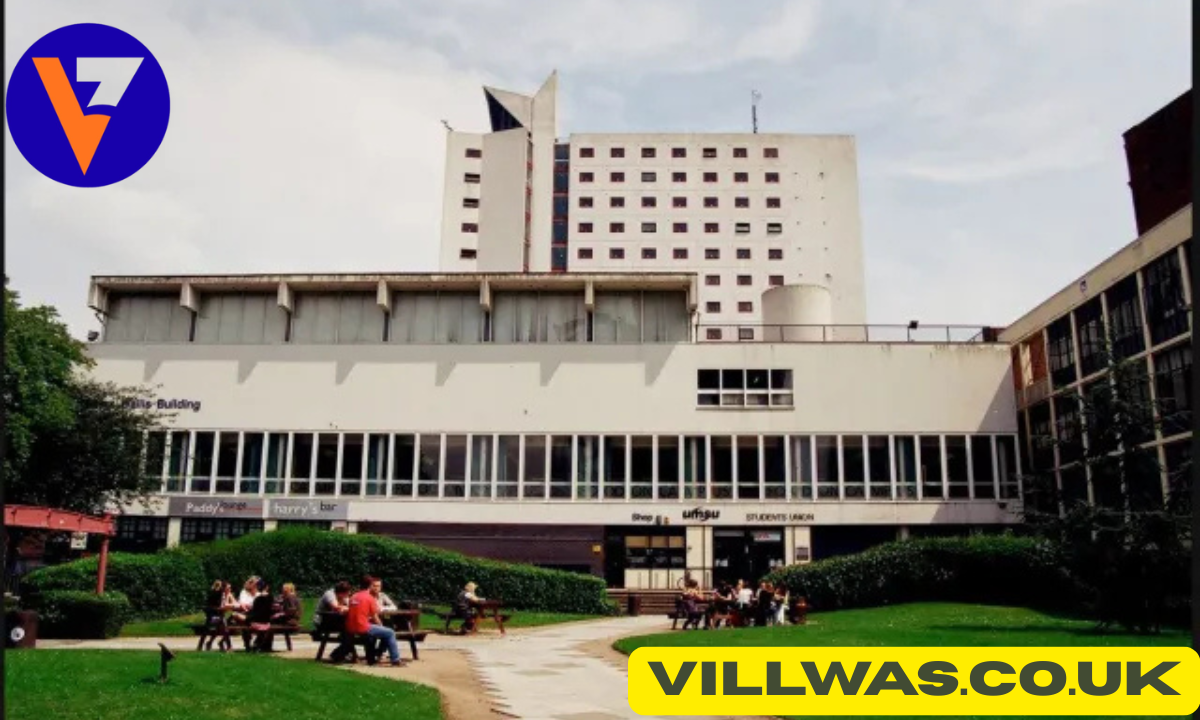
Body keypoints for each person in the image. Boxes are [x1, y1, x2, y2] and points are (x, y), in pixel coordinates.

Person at [345, 576, 404, 667]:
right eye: (373, 585)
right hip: (363, 627)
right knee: (390, 632)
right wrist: (381, 627)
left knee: (381, 632)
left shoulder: (353, 596)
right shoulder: (369, 598)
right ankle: (395, 660)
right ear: (370, 586)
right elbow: (375, 617)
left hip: (350, 627)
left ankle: (376, 656)